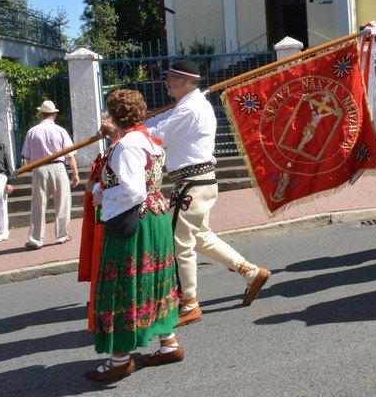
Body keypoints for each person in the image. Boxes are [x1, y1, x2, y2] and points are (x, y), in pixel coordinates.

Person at [108, 60, 269, 327]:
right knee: (200, 237)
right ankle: (250, 272)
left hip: (192, 183)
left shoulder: (191, 109)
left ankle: (189, 303)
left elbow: (158, 137)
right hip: (197, 182)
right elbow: (157, 123)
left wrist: (126, 130)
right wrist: (134, 124)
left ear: (183, 81)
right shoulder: (186, 106)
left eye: (170, 78)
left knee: (178, 242)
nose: (166, 82)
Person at [86, 89, 183, 382]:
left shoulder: (126, 146)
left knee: (123, 283)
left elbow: (133, 190)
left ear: (115, 115)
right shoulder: (147, 140)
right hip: (155, 216)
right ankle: (168, 344)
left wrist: (100, 192)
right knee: (152, 280)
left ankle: (120, 359)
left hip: (135, 221)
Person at [22, 100, 80, 249]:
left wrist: (33, 169)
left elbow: (27, 157)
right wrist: (75, 173)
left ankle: (35, 240)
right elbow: (69, 155)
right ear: (54, 115)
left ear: (41, 114)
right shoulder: (60, 131)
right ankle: (62, 235)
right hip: (58, 167)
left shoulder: (32, 131)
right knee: (62, 202)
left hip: (39, 168)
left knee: (38, 205)